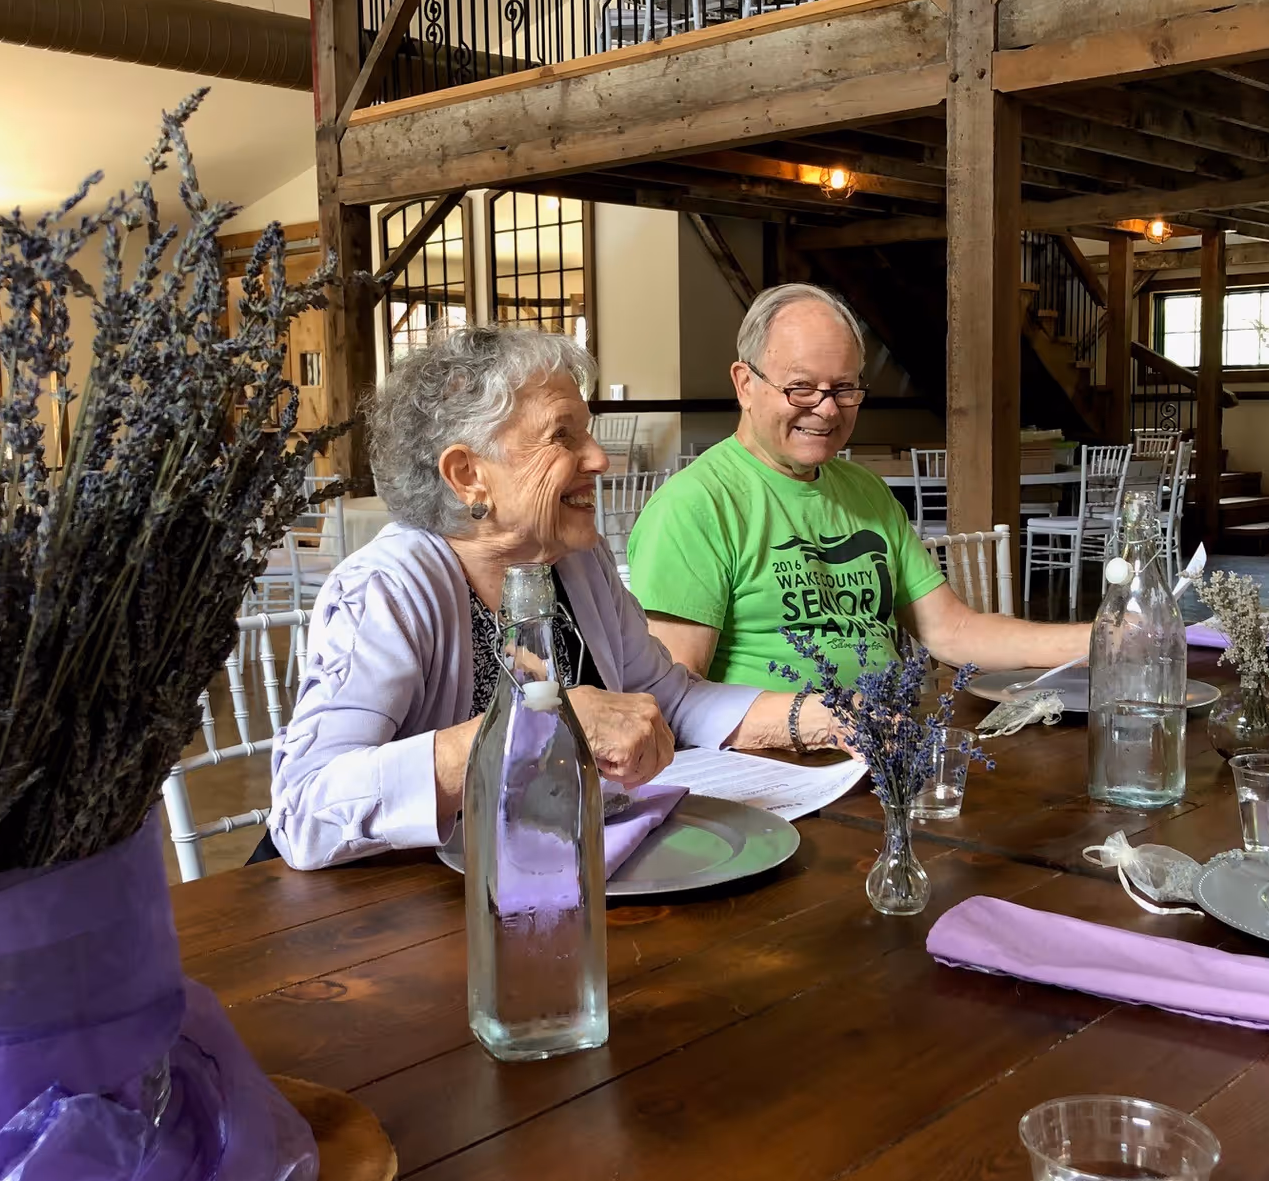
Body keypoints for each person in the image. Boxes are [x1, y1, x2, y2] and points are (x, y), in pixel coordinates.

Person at [268, 326, 840, 869]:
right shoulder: (388, 590)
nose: (599, 458)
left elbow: (669, 699)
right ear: (468, 475)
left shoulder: (575, 562)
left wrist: (821, 718)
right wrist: (536, 728)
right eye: (563, 436)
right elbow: (305, 811)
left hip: (548, 880)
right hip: (394, 923)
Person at [626, 283, 1089, 692]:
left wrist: (1103, 638)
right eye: (802, 388)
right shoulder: (694, 505)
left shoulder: (865, 490)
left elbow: (953, 630)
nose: (827, 411)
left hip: (887, 747)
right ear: (745, 384)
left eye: (844, 388)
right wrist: (814, 723)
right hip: (776, 766)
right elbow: (677, 695)